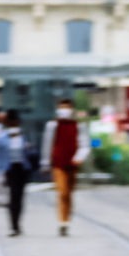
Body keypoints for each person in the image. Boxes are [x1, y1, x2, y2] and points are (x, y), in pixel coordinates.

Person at [41, 97, 89, 237]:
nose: (64, 110)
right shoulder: (52, 125)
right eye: (61, 107)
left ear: (72, 109)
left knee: (69, 193)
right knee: (61, 192)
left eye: (66, 107)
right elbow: (47, 143)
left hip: (72, 163)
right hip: (58, 163)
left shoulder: (79, 126)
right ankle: (62, 222)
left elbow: (85, 144)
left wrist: (79, 158)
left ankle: (67, 219)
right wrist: (45, 162)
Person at [0, 109, 34, 236]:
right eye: (11, 122)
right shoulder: (1, 138)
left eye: (15, 122)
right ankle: (13, 225)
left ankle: (18, 223)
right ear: (8, 123)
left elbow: (31, 153)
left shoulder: (25, 136)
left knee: (20, 197)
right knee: (12, 197)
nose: (14, 124)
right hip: (10, 170)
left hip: (23, 168)